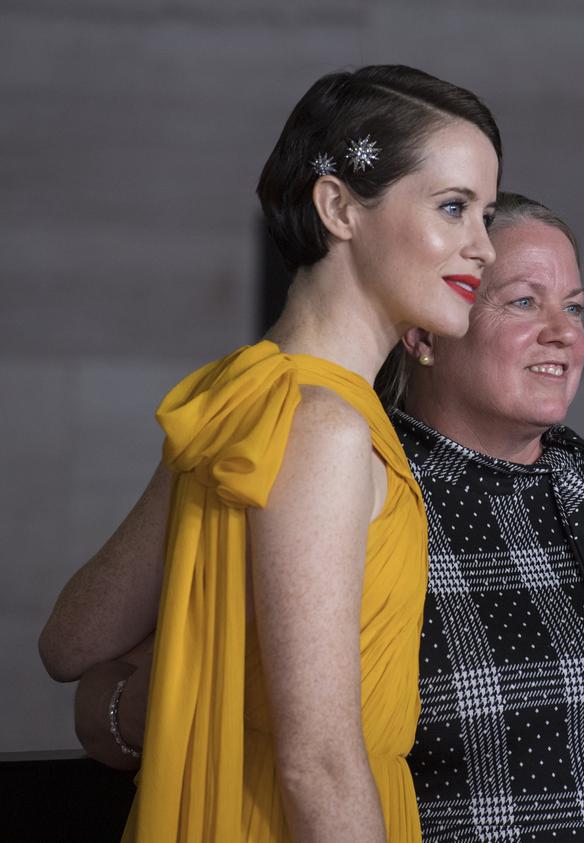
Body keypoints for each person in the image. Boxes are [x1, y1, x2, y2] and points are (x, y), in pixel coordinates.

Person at [38, 65, 501, 841]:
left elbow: (70, 640)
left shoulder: (243, 395)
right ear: (338, 207)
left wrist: (173, 686)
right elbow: (317, 762)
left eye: (484, 213)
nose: (483, 248)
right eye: (454, 208)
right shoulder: (325, 427)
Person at [381, 192, 584, 840]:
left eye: (574, 308)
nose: (564, 332)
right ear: (424, 328)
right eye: (524, 302)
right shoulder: (365, 487)